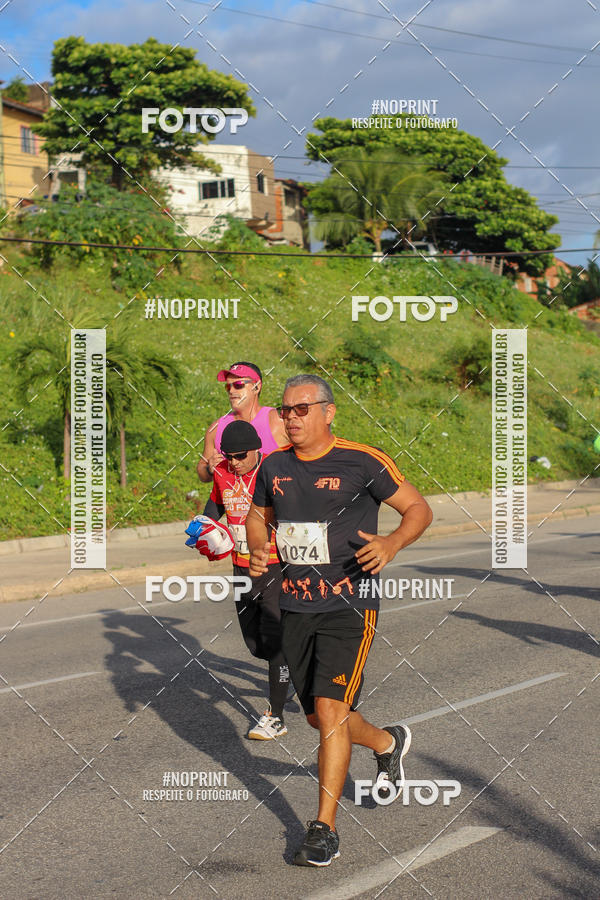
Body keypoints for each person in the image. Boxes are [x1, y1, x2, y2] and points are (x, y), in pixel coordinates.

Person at [246, 374, 433, 867]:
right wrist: (259, 543)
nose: (290, 418)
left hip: (350, 603)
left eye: (301, 409)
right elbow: (258, 516)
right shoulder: (274, 465)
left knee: (329, 711)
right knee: (317, 718)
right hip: (295, 604)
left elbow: (418, 508)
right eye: (285, 411)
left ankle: (323, 827)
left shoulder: (362, 461)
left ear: (328, 412)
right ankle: (388, 741)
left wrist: (391, 543)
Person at [203, 419, 290, 740]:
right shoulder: (223, 472)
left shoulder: (274, 470)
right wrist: (203, 532)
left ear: (257, 450)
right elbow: (213, 509)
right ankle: (289, 668)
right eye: (230, 456)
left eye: (241, 456)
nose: (235, 462)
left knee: (274, 639)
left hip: (273, 567)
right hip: (240, 568)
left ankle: (276, 715)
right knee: (255, 645)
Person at [197, 361, 287, 483]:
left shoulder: (279, 420)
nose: (231, 391)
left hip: (275, 499)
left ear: (257, 386)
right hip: (233, 500)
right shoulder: (217, 428)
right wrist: (209, 469)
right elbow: (202, 470)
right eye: (228, 387)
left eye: (238, 385)